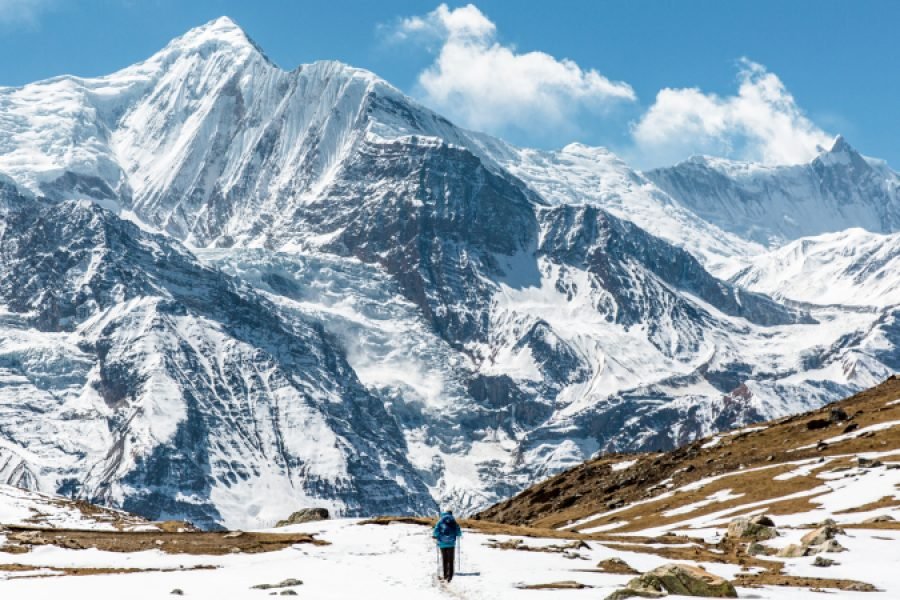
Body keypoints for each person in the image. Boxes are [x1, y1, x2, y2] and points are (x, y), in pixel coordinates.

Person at [432, 510, 462, 581]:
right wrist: (457, 535)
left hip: (442, 544)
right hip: (451, 544)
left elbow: (436, 532)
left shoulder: (440, 521)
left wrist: (435, 536)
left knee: (444, 559)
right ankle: (450, 576)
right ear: (451, 514)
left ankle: (445, 575)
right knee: (451, 559)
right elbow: (459, 533)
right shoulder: (453, 521)